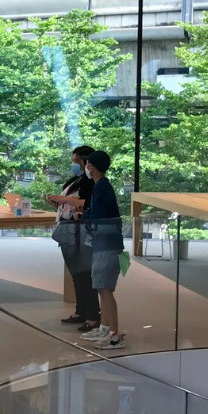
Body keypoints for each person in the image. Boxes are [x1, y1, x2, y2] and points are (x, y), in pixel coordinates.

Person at [45, 145, 99, 331]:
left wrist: (64, 200)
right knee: (76, 273)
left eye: (76, 161)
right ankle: (81, 310)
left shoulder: (92, 182)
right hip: (68, 229)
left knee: (84, 274)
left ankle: (93, 314)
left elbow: (87, 203)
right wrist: (57, 203)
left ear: (86, 161)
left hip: (80, 230)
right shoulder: (75, 180)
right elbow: (68, 205)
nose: (74, 164)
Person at [79, 150, 126, 350]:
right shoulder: (101, 186)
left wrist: (83, 216)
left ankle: (114, 335)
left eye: (88, 165)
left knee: (105, 290)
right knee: (101, 287)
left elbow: (99, 217)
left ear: (92, 167)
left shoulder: (102, 187)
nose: (86, 168)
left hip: (108, 245)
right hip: (104, 244)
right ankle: (105, 327)